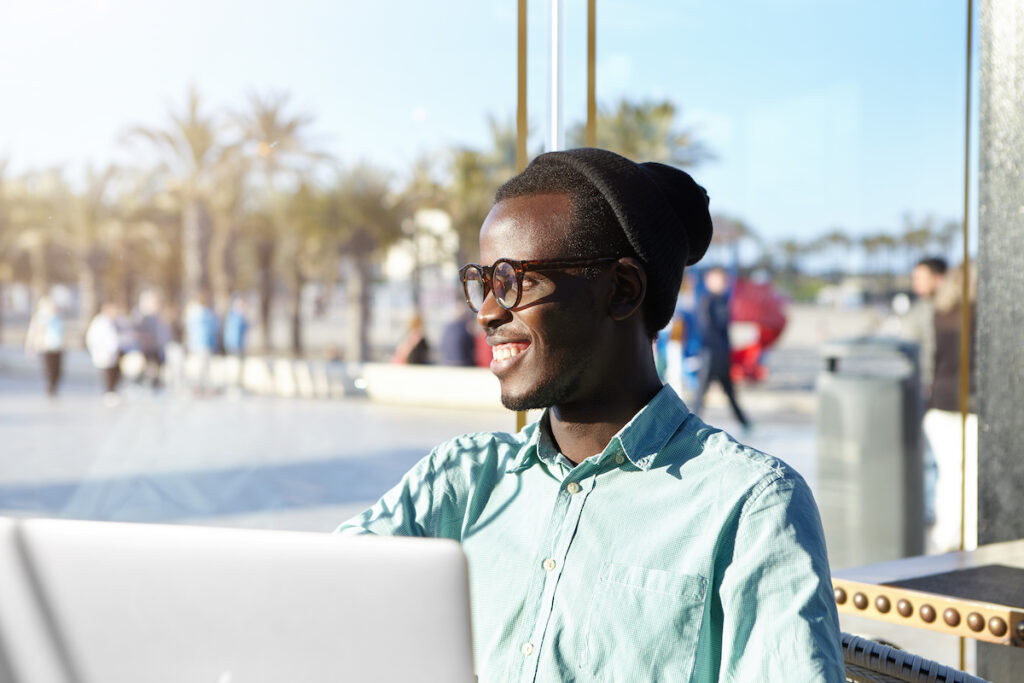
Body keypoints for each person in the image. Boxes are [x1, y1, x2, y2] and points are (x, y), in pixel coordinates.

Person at [338, 148, 843, 681]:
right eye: (483, 282)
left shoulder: (748, 506)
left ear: (622, 290)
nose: (487, 311)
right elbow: (315, 602)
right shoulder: (460, 482)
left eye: (516, 281)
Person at [924, 264, 976, 554]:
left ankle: (947, 536)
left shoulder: (941, 316)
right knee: (970, 475)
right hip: (970, 405)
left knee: (948, 474)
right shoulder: (978, 317)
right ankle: (971, 539)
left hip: (940, 405)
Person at [690, 266, 751, 431]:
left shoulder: (724, 301)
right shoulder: (706, 300)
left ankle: (745, 423)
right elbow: (706, 328)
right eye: (720, 280)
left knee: (730, 392)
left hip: (723, 354)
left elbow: (725, 331)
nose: (723, 284)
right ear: (709, 281)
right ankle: (690, 427)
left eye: (725, 281)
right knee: (701, 394)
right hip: (709, 354)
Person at [905, 257, 948, 400]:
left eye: (919, 278)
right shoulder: (919, 310)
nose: (915, 284)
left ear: (938, 278)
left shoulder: (948, 312)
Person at [24, 296, 64, 396]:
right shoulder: (41, 318)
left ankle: (54, 385)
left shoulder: (58, 317)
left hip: (58, 346)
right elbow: (33, 332)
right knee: (50, 368)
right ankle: (50, 387)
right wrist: (30, 347)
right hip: (46, 347)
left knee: (58, 369)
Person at [85, 302, 122, 406]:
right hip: (104, 353)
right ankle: (108, 393)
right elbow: (92, 339)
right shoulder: (100, 323)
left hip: (112, 353)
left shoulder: (112, 322)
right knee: (107, 374)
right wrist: (99, 351)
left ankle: (112, 392)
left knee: (114, 373)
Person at [134, 290, 171, 391]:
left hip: (159, 346)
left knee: (159, 365)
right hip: (149, 346)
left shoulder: (160, 316)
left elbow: (164, 332)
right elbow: (140, 331)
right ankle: (143, 383)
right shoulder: (145, 317)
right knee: (150, 366)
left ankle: (156, 383)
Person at [185, 291, 219, 395]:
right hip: (205, 343)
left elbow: (189, 329)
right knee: (204, 366)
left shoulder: (192, 314)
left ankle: (200, 386)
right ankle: (202, 386)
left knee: (201, 366)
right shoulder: (208, 314)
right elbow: (214, 328)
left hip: (196, 343)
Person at [222, 296, 250, 394]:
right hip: (234, 346)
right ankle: (233, 386)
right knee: (234, 366)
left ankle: (238, 385)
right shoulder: (234, 316)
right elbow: (233, 332)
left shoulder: (240, 316)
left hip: (240, 345)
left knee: (239, 367)